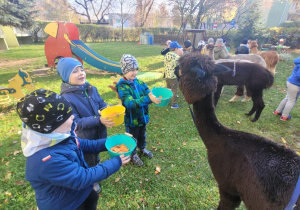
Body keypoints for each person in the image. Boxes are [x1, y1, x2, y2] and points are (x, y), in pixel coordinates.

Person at [16, 89, 130, 210]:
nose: (72, 117)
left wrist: (113, 142)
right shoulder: (46, 159)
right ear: (52, 125)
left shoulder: (59, 135)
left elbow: (84, 145)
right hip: (67, 205)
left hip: (81, 193)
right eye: (67, 116)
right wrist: (116, 162)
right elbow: (82, 178)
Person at [57, 57, 114, 192]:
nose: (81, 73)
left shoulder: (91, 88)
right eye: (75, 71)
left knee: (97, 153)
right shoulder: (66, 98)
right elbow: (76, 122)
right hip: (84, 137)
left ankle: (96, 165)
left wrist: (108, 109)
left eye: (81, 69)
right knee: (88, 159)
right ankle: (92, 180)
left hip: (98, 132)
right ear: (66, 76)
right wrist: (98, 119)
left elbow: (101, 103)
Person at [116, 54, 161, 166]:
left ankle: (142, 148)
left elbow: (148, 92)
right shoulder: (122, 86)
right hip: (132, 121)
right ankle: (132, 154)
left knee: (142, 135)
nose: (135, 72)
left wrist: (154, 96)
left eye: (136, 69)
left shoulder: (140, 82)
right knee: (132, 139)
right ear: (124, 70)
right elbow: (129, 103)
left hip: (142, 117)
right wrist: (148, 99)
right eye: (131, 69)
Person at [274, 57, 300, 121]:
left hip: (291, 82)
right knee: (291, 100)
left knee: (288, 98)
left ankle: (278, 111)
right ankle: (284, 116)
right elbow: (299, 76)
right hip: (295, 85)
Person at [164, 41, 183, 108]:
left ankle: (167, 100)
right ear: (175, 49)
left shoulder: (166, 55)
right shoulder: (176, 57)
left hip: (167, 76)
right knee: (174, 90)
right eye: (178, 48)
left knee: (168, 89)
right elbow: (180, 65)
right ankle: (174, 104)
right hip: (173, 77)